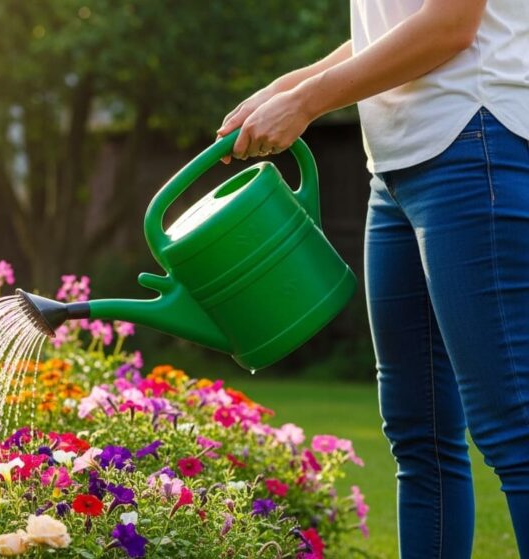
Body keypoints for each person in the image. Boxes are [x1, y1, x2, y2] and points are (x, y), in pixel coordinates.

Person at [216, 1, 529, 557]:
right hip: (395, 171)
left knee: (513, 428)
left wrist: (306, 102)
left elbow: (450, 26)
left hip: (472, 141)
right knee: (419, 434)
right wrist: (289, 86)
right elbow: (387, 31)